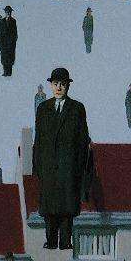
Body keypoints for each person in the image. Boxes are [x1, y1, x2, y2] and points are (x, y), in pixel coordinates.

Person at [33, 66, 91, 250]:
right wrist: (38, 167)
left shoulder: (77, 109)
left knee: (67, 208)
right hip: (48, 168)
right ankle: (51, 241)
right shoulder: (43, 109)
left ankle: (65, 241)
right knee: (50, 208)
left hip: (68, 168)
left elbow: (83, 141)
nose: (58, 87)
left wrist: (79, 168)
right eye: (55, 84)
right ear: (51, 85)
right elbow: (38, 140)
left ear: (68, 86)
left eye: (62, 84)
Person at [0, 5, 18, 77]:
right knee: (4, 58)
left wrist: (13, 42)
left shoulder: (13, 21)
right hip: (4, 44)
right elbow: (0, 33)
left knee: (10, 58)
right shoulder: (2, 21)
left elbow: (15, 33)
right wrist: (1, 42)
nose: (8, 13)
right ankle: (5, 72)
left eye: (9, 12)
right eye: (7, 12)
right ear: (5, 12)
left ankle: (9, 72)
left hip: (11, 44)